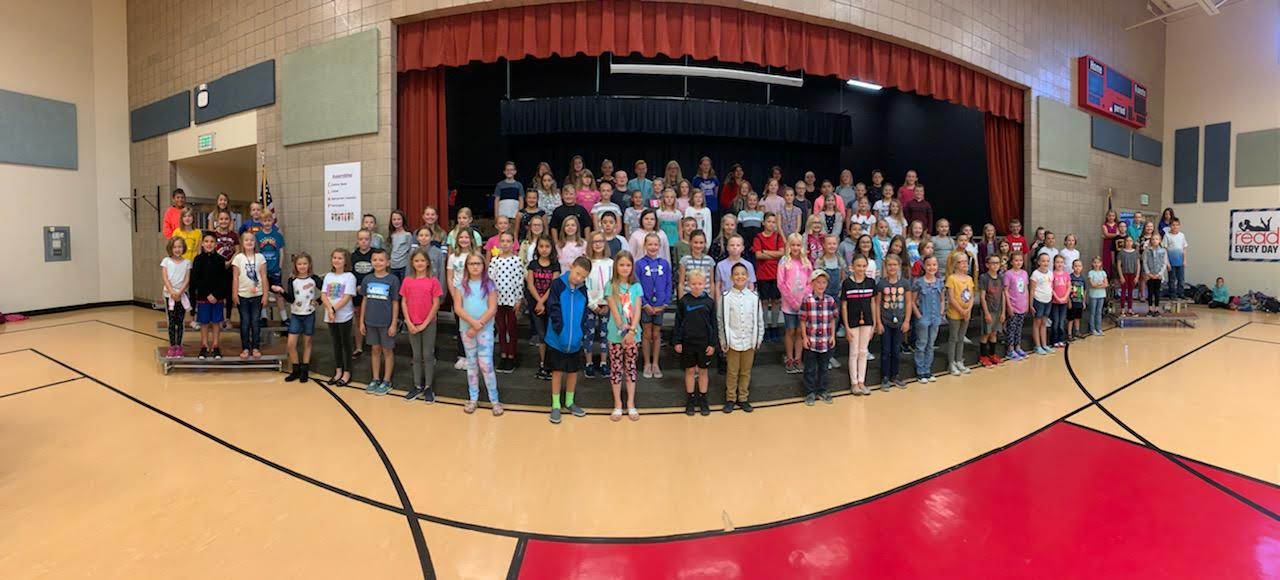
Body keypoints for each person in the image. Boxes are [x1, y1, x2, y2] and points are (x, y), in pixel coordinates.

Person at [546, 256, 591, 424]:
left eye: (583, 277)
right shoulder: (557, 284)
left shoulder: (583, 290)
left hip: (576, 340)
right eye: (577, 273)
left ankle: (570, 402)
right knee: (557, 371)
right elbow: (553, 308)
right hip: (557, 339)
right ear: (572, 267)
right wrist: (560, 330)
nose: (579, 278)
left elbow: (584, 313)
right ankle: (556, 404)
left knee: (573, 372)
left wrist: (581, 332)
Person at [455, 253, 501, 414]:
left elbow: (492, 308)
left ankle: (494, 400)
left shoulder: (489, 285)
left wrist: (478, 325)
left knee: (486, 365)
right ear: (466, 266)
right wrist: (471, 323)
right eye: (471, 264)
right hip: (466, 330)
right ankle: (473, 398)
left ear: (483, 266)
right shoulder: (461, 286)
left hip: (484, 330)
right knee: (472, 364)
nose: (475, 267)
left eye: (478, 263)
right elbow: (458, 308)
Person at [719, 262, 763, 412]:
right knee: (732, 371)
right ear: (731, 277)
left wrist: (758, 338)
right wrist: (723, 340)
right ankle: (730, 398)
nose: (740, 276)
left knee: (745, 371)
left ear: (748, 276)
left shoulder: (754, 297)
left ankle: (743, 397)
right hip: (733, 340)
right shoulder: (726, 297)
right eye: (736, 274)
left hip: (749, 340)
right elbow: (721, 320)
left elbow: (759, 320)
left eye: (743, 274)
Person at [673, 269, 717, 416]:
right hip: (688, 343)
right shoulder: (684, 301)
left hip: (704, 343)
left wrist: (712, 344)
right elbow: (678, 323)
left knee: (703, 371)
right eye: (693, 284)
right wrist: (677, 341)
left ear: (705, 284)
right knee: (690, 370)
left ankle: (703, 398)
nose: (697, 286)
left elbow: (714, 324)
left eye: (699, 284)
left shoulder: (709, 302)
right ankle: (690, 399)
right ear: (688, 284)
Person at [274, 253, 323, 382]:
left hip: (309, 315)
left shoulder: (314, 278)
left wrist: (319, 301)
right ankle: (295, 369)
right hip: (296, 315)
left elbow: (326, 290)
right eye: (299, 264)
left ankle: (305, 369)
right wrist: (282, 291)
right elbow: (291, 299)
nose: (302, 266)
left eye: (305, 263)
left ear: (309, 264)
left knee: (307, 343)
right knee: (291, 344)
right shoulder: (292, 279)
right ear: (295, 265)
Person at [606, 251, 643, 421]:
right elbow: (615, 311)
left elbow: (637, 310)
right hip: (616, 335)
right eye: (621, 265)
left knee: (630, 368)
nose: (625, 268)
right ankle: (618, 404)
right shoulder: (610, 286)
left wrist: (632, 331)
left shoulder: (636, 287)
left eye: (628, 265)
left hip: (633, 336)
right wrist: (623, 331)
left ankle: (631, 403)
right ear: (616, 266)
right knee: (616, 368)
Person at [359, 249, 400, 395]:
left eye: (381, 260)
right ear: (371, 262)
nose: (378, 262)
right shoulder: (367, 279)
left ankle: (387, 381)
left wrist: (394, 323)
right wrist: (361, 321)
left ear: (388, 262)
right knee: (375, 350)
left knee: (387, 351)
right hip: (370, 322)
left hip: (386, 323)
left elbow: (395, 302)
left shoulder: (393, 280)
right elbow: (364, 300)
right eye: (375, 260)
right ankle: (375, 379)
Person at [637, 233, 672, 379]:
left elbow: (669, 284)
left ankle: (656, 363)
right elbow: (637, 285)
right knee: (646, 334)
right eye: (650, 244)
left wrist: (665, 303)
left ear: (659, 246)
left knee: (656, 334)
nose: (653, 247)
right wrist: (644, 304)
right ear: (645, 246)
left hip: (660, 305)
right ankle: (647, 363)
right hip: (645, 305)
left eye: (655, 244)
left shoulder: (664, 264)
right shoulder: (639, 264)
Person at [778, 232, 814, 375]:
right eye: (793, 245)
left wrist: (803, 300)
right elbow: (781, 283)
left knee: (800, 331)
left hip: (803, 303)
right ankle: (790, 358)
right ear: (789, 246)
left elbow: (810, 282)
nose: (795, 248)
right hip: (789, 304)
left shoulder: (806, 262)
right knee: (790, 330)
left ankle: (798, 358)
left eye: (798, 245)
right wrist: (793, 302)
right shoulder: (784, 261)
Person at [800, 270, 838, 405]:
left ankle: (822, 390)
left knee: (824, 367)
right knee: (810, 368)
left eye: (824, 282)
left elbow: (832, 319)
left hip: (826, 341)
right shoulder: (807, 300)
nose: (821, 285)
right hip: (812, 340)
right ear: (812, 284)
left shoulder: (830, 300)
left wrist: (832, 336)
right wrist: (805, 338)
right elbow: (803, 320)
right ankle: (809, 392)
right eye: (818, 282)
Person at [489, 233, 525, 373]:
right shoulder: (495, 261)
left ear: (513, 244)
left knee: (511, 328)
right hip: (498, 300)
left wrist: (519, 299)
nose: (505, 243)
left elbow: (519, 281)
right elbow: (490, 280)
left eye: (508, 241)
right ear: (499, 243)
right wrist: (490, 299)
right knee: (501, 328)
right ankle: (503, 354)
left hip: (511, 299)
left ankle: (512, 355)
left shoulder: (516, 260)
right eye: (503, 241)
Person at [525, 236, 560, 380]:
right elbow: (530, 284)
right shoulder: (533, 264)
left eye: (547, 246)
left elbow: (553, 285)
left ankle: (551, 364)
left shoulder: (555, 265)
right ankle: (542, 364)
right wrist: (539, 302)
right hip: (536, 305)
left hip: (550, 304)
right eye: (541, 246)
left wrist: (543, 301)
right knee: (541, 335)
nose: (544, 249)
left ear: (552, 248)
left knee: (550, 335)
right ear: (537, 248)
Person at [322, 248, 357, 387]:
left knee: (346, 344)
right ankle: (338, 371)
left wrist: (333, 309)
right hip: (331, 316)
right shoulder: (328, 276)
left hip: (344, 316)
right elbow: (324, 295)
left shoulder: (349, 277)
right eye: (334, 257)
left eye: (340, 258)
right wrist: (329, 310)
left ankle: (347, 372)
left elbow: (346, 297)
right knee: (336, 344)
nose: (336, 260)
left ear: (345, 261)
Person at [842, 255, 877, 394]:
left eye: (863, 266)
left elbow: (873, 303)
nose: (861, 269)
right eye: (858, 266)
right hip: (852, 322)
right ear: (852, 267)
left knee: (863, 351)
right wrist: (846, 326)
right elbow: (844, 306)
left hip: (867, 321)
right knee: (854, 352)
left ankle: (862, 381)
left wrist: (874, 323)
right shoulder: (847, 283)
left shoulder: (871, 282)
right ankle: (854, 383)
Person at [447, 224, 479, 370]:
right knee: (461, 326)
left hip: (473, 295)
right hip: (458, 295)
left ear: (471, 239)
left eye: (466, 237)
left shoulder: (475, 256)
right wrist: (454, 295)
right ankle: (462, 355)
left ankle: (474, 355)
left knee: (473, 324)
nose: (464, 240)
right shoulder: (453, 257)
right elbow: (450, 277)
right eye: (461, 237)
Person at [231, 231, 268, 359]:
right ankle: (245, 348)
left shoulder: (260, 257)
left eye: (252, 240)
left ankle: (256, 347)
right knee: (245, 322)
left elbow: (264, 277)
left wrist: (265, 295)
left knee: (255, 322)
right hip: (243, 296)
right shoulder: (238, 258)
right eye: (246, 240)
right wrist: (234, 294)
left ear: (255, 242)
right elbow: (235, 278)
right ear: (242, 242)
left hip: (258, 295)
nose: (249, 242)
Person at [582, 232, 614, 379]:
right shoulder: (587, 263)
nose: (598, 244)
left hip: (606, 304)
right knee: (588, 333)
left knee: (604, 334)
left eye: (601, 241)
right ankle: (588, 363)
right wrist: (592, 304)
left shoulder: (611, 263)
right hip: (590, 305)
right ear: (590, 244)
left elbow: (613, 284)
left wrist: (608, 303)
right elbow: (584, 285)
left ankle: (603, 362)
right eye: (594, 242)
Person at [191, 234, 227, 359]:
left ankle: (216, 346)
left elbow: (223, 280)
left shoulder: (220, 260)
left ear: (216, 244)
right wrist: (207, 294)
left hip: (217, 298)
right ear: (202, 243)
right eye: (206, 241)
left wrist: (216, 295)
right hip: (203, 297)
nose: (209, 244)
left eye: (212, 241)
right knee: (204, 322)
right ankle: (204, 346)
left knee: (216, 322)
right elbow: (196, 280)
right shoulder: (198, 259)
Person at [909, 254, 943, 381]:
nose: (931, 267)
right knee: (921, 343)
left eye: (934, 265)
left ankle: (928, 369)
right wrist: (918, 315)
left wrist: (941, 312)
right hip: (923, 317)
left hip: (935, 317)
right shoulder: (918, 282)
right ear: (924, 266)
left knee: (930, 344)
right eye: (929, 265)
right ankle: (920, 370)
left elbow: (942, 299)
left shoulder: (940, 282)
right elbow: (912, 301)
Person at [753, 214, 785, 343]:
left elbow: (782, 253)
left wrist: (765, 252)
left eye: (773, 222)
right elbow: (758, 255)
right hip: (763, 274)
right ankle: (765, 327)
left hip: (776, 274)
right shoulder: (758, 237)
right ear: (763, 222)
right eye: (769, 221)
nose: (771, 224)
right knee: (765, 302)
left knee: (776, 301)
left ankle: (775, 327)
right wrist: (773, 254)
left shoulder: (778, 237)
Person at [943, 251, 975, 375]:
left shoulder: (969, 279)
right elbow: (951, 298)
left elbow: (971, 296)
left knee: (961, 338)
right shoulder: (952, 279)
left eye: (966, 262)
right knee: (954, 338)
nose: (965, 264)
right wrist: (961, 310)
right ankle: (951, 363)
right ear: (956, 264)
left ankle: (959, 360)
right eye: (962, 262)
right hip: (955, 313)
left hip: (966, 313)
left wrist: (968, 310)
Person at [160, 237, 192, 358]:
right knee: (172, 322)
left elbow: (187, 279)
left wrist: (179, 292)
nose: (177, 249)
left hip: (182, 295)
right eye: (175, 247)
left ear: (183, 248)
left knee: (180, 321)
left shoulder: (187, 262)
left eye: (180, 247)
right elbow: (165, 278)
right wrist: (172, 292)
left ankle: (179, 346)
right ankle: (172, 346)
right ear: (170, 248)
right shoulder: (166, 261)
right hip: (169, 295)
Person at [255, 210, 286, 321]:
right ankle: (264, 317)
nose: (267, 223)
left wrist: (280, 267)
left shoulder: (278, 235)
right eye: (265, 221)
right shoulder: (258, 235)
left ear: (272, 221)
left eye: (269, 220)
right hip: (263, 270)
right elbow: (256, 252)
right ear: (261, 222)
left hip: (275, 269)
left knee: (278, 294)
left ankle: (284, 318)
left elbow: (281, 252)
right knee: (263, 294)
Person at [350, 230, 375, 358]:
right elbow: (350, 275)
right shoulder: (353, 256)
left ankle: (375, 346)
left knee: (373, 319)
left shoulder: (375, 254)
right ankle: (359, 347)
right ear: (357, 240)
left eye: (366, 239)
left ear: (370, 240)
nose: (364, 241)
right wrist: (354, 288)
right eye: (361, 239)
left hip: (373, 292)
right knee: (358, 318)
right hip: (357, 292)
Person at [977, 255, 1006, 367]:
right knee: (986, 333)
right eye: (993, 263)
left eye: (997, 263)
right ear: (987, 265)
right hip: (988, 310)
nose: (995, 265)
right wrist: (986, 313)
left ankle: (992, 354)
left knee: (994, 333)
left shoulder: (1001, 277)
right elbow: (982, 296)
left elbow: (1003, 295)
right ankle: (983, 356)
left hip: (998, 310)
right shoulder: (984, 278)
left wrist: (1003, 312)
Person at [1003, 252, 1030, 359]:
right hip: (1013, 305)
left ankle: (1018, 347)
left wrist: (1027, 303)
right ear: (1011, 262)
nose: (1019, 262)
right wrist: (1009, 306)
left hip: (1022, 305)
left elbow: (1026, 289)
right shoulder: (1008, 274)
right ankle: (1010, 350)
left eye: (1020, 260)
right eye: (1016, 260)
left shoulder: (1024, 273)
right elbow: (1005, 291)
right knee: (1011, 328)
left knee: (1019, 328)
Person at [1028, 252, 1053, 355]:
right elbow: (1032, 290)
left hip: (1048, 300)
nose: (1045, 263)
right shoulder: (1035, 274)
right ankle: (1037, 346)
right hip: (1038, 301)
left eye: (1047, 261)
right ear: (1038, 262)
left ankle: (1044, 344)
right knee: (1037, 323)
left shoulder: (1050, 273)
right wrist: (1030, 304)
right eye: (1043, 261)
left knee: (1044, 323)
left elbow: (1050, 286)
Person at [678, 230, 716, 297]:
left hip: (705, 297)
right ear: (690, 243)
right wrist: (681, 300)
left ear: (705, 243)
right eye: (695, 242)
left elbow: (711, 283)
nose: (698, 245)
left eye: (701, 243)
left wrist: (711, 299)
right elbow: (681, 283)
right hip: (688, 297)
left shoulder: (709, 260)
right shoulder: (684, 260)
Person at [1143, 233, 1169, 316]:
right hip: (1149, 275)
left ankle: (1156, 309)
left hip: (1158, 276)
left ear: (1160, 240)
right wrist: (1148, 273)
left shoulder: (1163, 251)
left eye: (1157, 239)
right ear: (1151, 240)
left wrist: (1159, 274)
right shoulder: (1147, 250)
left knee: (1157, 293)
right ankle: (1150, 309)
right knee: (1150, 292)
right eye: (1153, 239)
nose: (1155, 241)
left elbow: (1164, 263)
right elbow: (1145, 262)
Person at [1163, 219, 1188, 300]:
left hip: (1180, 261)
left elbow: (1184, 248)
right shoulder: (1167, 235)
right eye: (1173, 225)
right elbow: (1165, 250)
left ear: (1179, 226)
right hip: (1171, 262)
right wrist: (1167, 263)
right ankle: (1172, 294)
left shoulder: (1182, 235)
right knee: (1172, 279)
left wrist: (1184, 260)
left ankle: (1181, 293)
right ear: (1170, 226)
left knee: (1181, 279)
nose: (1175, 227)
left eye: (1177, 225)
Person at [1116, 236, 1141, 317]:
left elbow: (1138, 264)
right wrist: (1121, 276)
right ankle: (1122, 310)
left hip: (1132, 274)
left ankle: (1130, 309)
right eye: (1127, 241)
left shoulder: (1136, 252)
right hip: (1124, 274)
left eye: (1130, 241)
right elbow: (1119, 265)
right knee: (1123, 292)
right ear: (1124, 242)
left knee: (1130, 292)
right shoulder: (1121, 252)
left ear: (1132, 242)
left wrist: (1137, 276)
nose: (1129, 242)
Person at [1049, 254, 1070, 347]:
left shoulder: (1066, 274)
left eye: (1061, 262)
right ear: (1054, 263)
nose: (1059, 264)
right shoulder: (1052, 274)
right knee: (1056, 321)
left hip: (1064, 302)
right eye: (1057, 262)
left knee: (1061, 321)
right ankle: (1054, 340)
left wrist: (1065, 297)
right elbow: (1051, 288)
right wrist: (1057, 298)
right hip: (1055, 302)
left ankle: (1061, 339)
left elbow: (1069, 287)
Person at [1086, 256, 1108, 336]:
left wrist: (1098, 285)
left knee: (1099, 312)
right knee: (1093, 312)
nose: (1096, 264)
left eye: (1098, 262)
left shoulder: (1103, 272)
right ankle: (1092, 329)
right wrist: (1100, 284)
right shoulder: (1091, 273)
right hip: (1093, 295)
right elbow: (1092, 285)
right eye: (1095, 262)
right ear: (1092, 263)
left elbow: (1106, 284)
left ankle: (1099, 328)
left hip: (1101, 295)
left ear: (1100, 263)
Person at [387, 210, 412, 280]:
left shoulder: (407, 235)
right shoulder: (392, 235)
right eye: (394, 219)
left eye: (399, 219)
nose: (396, 221)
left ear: (403, 220)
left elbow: (410, 250)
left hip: (404, 265)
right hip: (393, 266)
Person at [1067, 259, 1087, 340]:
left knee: (1078, 318)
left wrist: (1084, 302)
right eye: (1076, 266)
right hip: (1072, 302)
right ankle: (1069, 334)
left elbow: (1084, 290)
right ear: (1072, 267)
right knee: (1071, 319)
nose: (1077, 268)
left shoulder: (1082, 278)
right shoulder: (1070, 277)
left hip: (1079, 301)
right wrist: (1069, 301)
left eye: (1079, 266)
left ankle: (1077, 332)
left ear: (1082, 267)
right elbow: (1067, 290)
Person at [1101, 210, 1122, 275]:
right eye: (1109, 216)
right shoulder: (1104, 225)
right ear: (1107, 216)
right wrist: (1115, 235)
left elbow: (1107, 235)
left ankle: (1115, 276)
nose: (1111, 217)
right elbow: (1107, 234)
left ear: (1115, 217)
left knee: (1115, 260)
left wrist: (1107, 236)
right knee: (1107, 261)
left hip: (1116, 245)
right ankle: (1107, 276)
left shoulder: (1117, 225)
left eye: (1113, 216)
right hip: (1107, 245)